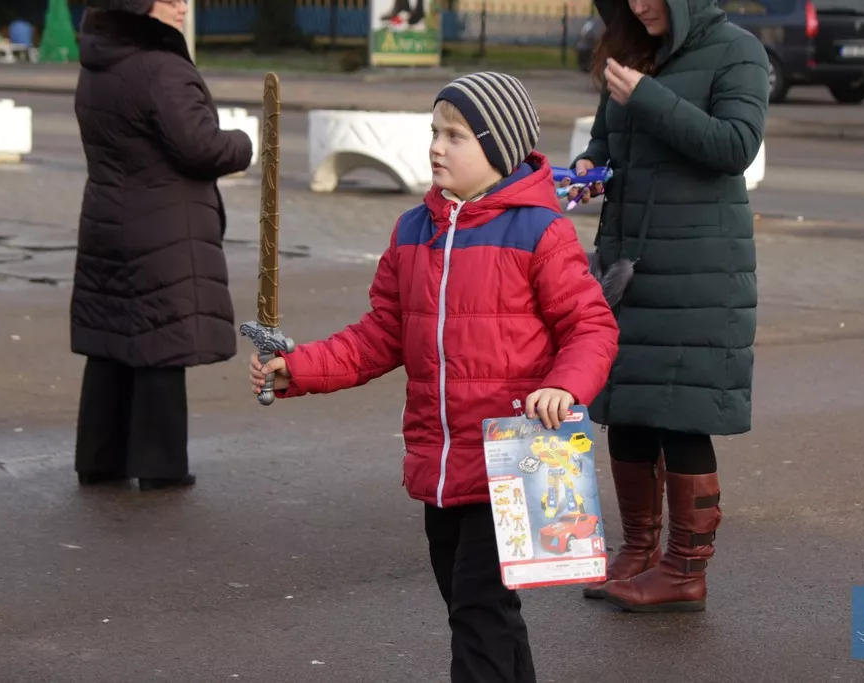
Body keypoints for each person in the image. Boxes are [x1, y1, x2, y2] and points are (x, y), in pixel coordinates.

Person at [250, 72, 620, 683]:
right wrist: (302, 366)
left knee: (479, 608)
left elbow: (592, 327)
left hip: (516, 454)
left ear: (498, 149)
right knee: (474, 606)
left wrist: (565, 386)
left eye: (455, 135)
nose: (436, 147)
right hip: (441, 460)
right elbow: (381, 334)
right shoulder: (412, 231)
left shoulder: (539, 232)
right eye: (434, 132)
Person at [572, 0, 769, 612]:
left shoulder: (738, 50)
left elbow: (735, 145)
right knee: (626, 408)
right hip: (625, 266)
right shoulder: (630, 50)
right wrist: (587, 169)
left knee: (680, 415)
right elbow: (606, 143)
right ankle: (637, 552)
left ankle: (684, 569)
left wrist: (647, 98)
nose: (639, 5)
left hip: (699, 268)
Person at [71, 0, 253, 492]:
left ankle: (99, 459)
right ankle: (160, 465)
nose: (181, 6)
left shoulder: (98, 61)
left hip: (108, 218)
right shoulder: (162, 67)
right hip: (163, 226)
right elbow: (201, 147)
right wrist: (244, 141)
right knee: (161, 342)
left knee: (110, 341)